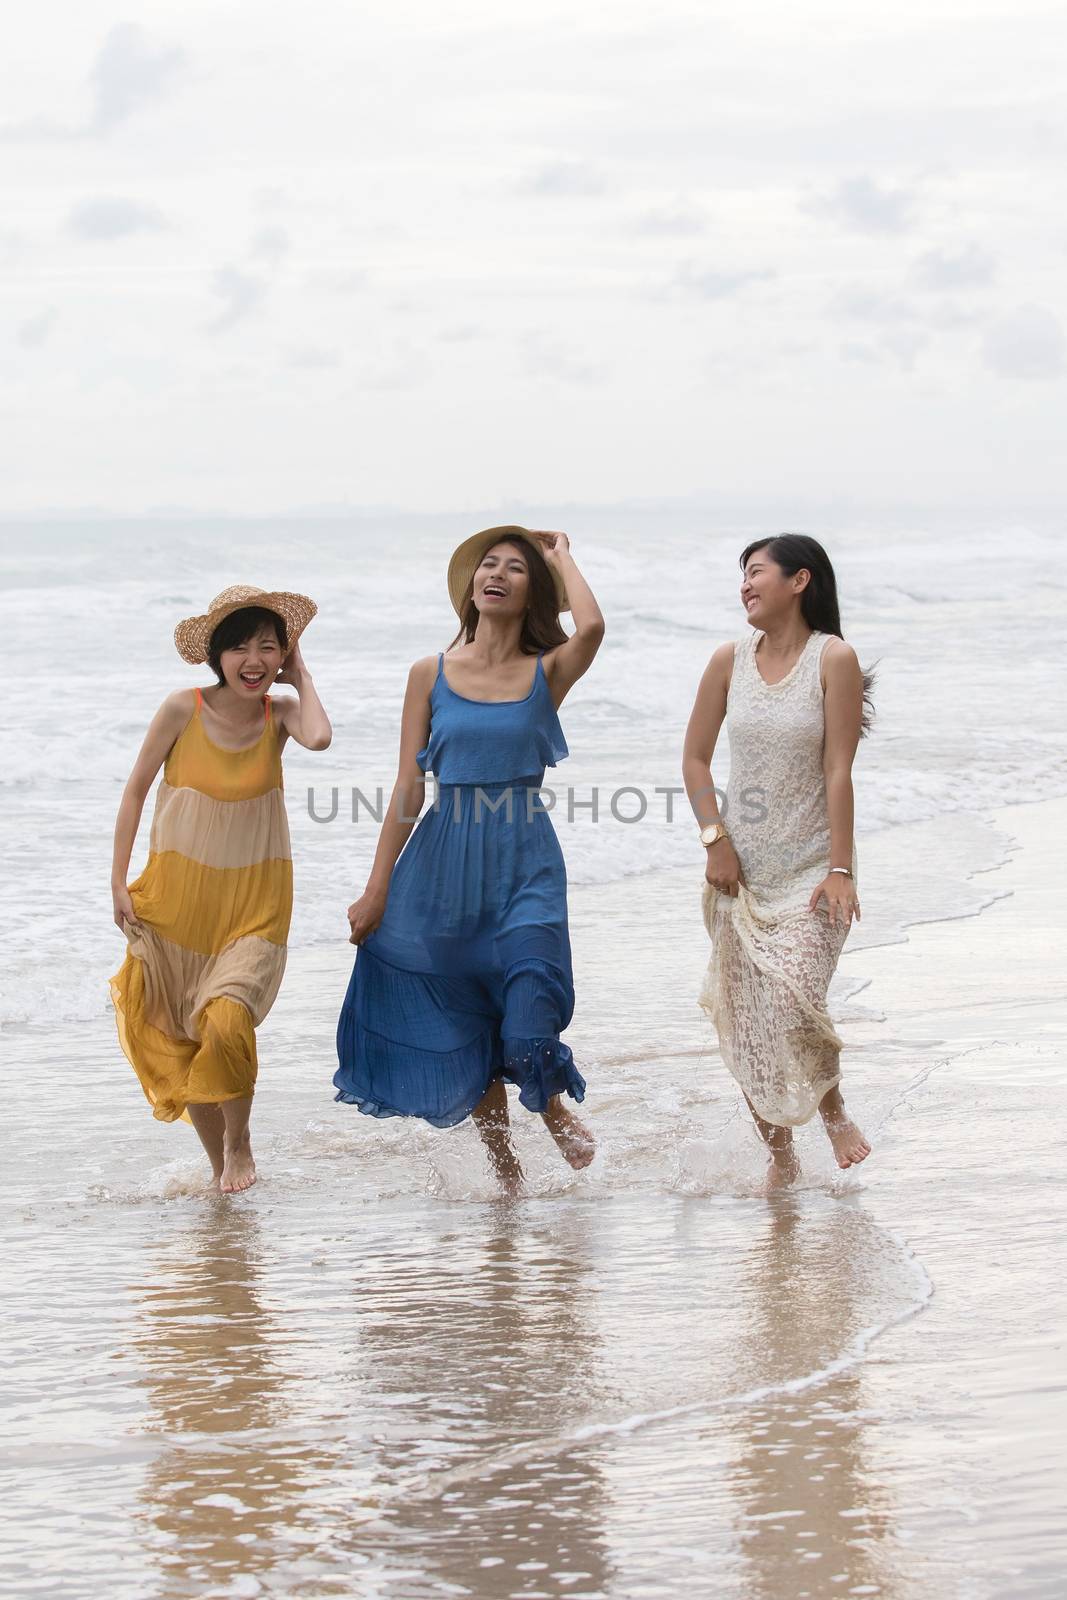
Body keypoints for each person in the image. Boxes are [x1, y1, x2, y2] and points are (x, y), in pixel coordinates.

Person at [334, 527, 604, 1194]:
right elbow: (406, 784)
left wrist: (559, 554)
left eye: (516, 569)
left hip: (525, 859)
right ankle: (503, 1167)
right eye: (490, 564)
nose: (499, 575)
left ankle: (545, 1101)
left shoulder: (548, 669)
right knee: (466, 1022)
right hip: (441, 863)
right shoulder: (428, 673)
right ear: (471, 585)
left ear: (533, 592)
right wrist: (375, 890)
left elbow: (593, 625)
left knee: (531, 996)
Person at [110, 585, 332, 1193]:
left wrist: (302, 673)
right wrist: (117, 881)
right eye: (239, 648)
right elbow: (134, 791)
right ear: (216, 656)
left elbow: (319, 737)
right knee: (185, 1038)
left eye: (268, 646)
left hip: (254, 907)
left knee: (228, 1020)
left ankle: (240, 1141)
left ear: (282, 656)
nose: (253, 660)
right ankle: (220, 1167)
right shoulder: (182, 708)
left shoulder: (279, 715)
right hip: (176, 906)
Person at [682, 536, 873, 1192]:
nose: (744, 585)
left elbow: (837, 768)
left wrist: (840, 869)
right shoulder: (725, 661)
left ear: (799, 580)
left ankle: (835, 1114)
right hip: (739, 874)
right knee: (752, 1026)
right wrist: (714, 840)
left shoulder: (832, 658)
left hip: (813, 868)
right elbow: (694, 759)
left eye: (756, 573)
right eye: (742, 575)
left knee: (793, 998)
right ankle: (781, 1159)